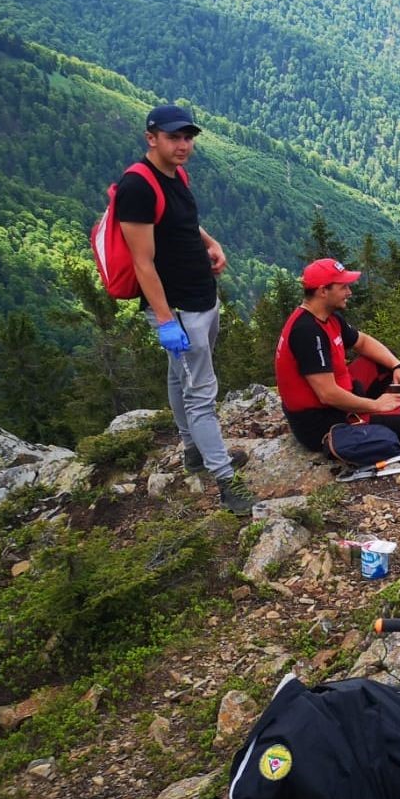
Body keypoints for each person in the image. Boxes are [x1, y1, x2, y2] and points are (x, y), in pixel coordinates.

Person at [117, 104, 254, 515]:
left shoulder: (175, 175)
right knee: (201, 393)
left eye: (188, 137)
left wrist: (211, 243)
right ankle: (226, 482)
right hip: (178, 309)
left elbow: (182, 222)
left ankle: (194, 449)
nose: (183, 145)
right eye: (173, 137)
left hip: (201, 296)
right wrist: (164, 320)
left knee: (181, 377)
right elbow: (142, 261)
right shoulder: (137, 187)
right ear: (151, 138)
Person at [275, 258, 400, 456]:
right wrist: (377, 405)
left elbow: (362, 342)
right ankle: (381, 438)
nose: (349, 292)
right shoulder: (307, 332)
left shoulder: (327, 317)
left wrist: (398, 366)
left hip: (340, 398)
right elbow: (328, 395)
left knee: (385, 362)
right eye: (343, 287)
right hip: (322, 421)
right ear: (323, 291)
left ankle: (384, 417)